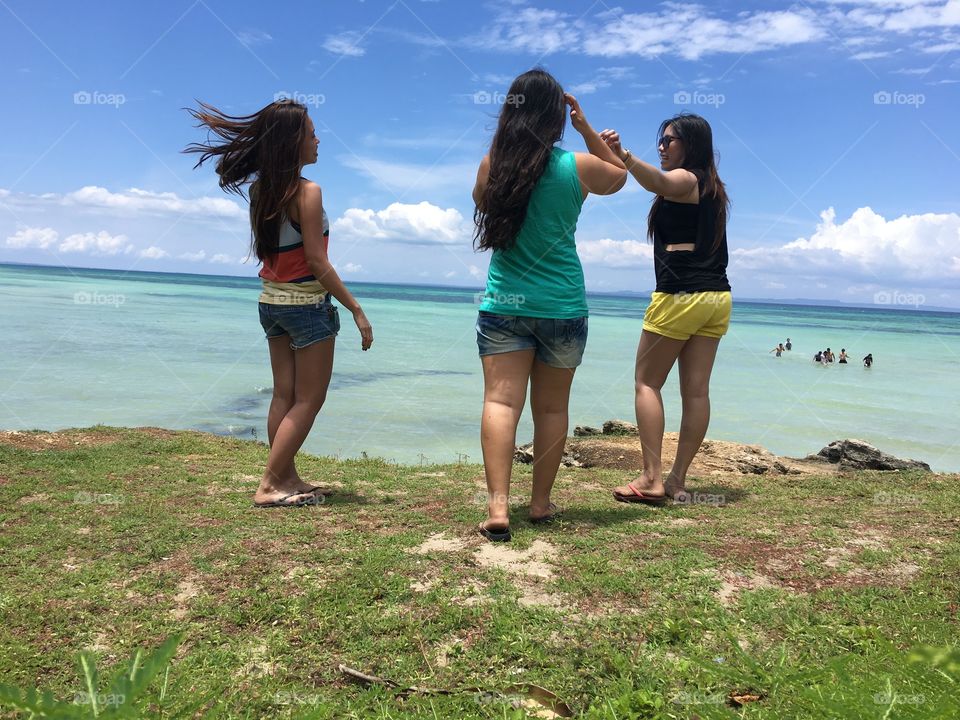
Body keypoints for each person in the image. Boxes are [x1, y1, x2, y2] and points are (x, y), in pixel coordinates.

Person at [185, 99, 373, 508]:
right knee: (310, 399)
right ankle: (271, 484)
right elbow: (317, 262)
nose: (318, 139)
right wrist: (356, 308)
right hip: (306, 306)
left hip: (271, 304)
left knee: (283, 395)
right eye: (310, 133)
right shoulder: (308, 192)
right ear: (293, 143)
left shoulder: (260, 191)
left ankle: (285, 476)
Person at [472, 69, 627, 541]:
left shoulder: (491, 165)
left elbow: (482, 203)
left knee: (501, 402)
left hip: (504, 302)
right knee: (552, 409)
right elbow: (619, 177)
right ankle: (540, 504)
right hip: (561, 305)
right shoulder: (576, 166)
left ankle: (499, 509)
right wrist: (585, 129)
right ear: (556, 115)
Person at [599, 114, 731, 504]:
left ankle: (652, 478)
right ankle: (676, 480)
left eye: (669, 141)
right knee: (696, 392)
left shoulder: (689, 180)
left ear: (691, 145)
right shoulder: (713, 188)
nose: (662, 146)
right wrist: (595, 133)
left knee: (646, 383)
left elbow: (656, 181)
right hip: (716, 298)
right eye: (661, 140)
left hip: (680, 296)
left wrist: (623, 154)